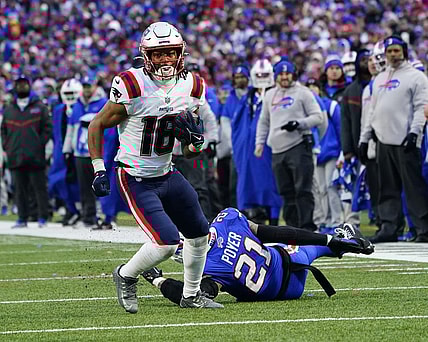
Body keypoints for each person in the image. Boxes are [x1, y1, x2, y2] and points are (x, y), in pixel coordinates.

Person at [88, 21, 223, 312]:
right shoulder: (132, 84)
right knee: (165, 242)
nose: (165, 59)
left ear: (181, 53)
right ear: (146, 55)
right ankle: (126, 275)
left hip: (167, 171)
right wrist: (99, 167)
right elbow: (97, 124)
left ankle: (191, 294)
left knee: (200, 235)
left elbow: (188, 151)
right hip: (135, 175)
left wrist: (196, 142)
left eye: (170, 52)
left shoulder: (193, 85)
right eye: (158, 53)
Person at [142, 207, 374, 305]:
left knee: (299, 248)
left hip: (285, 294)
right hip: (292, 261)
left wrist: (157, 280)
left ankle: (340, 241)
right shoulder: (228, 219)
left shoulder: (209, 269)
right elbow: (272, 232)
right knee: (306, 247)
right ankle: (346, 240)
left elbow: (190, 297)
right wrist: (324, 239)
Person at [359, 35, 428, 243]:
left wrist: (415, 131)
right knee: (386, 188)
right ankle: (389, 227)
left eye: (397, 51)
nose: (393, 55)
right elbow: (372, 110)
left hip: (405, 139)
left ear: (404, 52)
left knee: (413, 187)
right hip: (382, 140)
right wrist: (365, 138)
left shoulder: (416, 77)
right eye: (389, 51)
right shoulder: (379, 79)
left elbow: (421, 107)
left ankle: (423, 228)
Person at [255, 61, 324, 231]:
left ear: (294, 74)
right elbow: (264, 121)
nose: (284, 77)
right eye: (281, 74)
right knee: (286, 192)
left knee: (303, 189)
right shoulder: (270, 95)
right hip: (277, 150)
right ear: (276, 75)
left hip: (299, 146)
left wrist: (299, 123)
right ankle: (293, 228)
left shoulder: (303, 93)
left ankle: (307, 227)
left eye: (288, 73)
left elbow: (318, 117)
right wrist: (259, 143)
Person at [233, 59, 282, 225]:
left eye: (265, 75)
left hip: (269, 147)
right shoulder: (248, 98)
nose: (261, 78)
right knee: (248, 184)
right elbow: (237, 124)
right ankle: (252, 220)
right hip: (248, 149)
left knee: (271, 184)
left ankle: (274, 221)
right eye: (259, 75)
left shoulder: (277, 94)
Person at [1, 75, 52, 228]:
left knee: (39, 188)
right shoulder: (10, 109)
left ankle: (43, 217)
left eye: (24, 84)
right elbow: (3, 131)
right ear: (15, 87)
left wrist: (38, 144)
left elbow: (47, 128)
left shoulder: (40, 107)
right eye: (19, 84)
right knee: (19, 190)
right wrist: (7, 146)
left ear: (29, 86)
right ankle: (22, 218)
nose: (21, 87)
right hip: (16, 155)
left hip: (35, 155)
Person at [63, 74, 108, 229]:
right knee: (84, 187)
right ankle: (88, 217)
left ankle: (105, 217)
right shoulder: (77, 105)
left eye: (89, 86)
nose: (87, 89)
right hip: (80, 152)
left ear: (95, 87)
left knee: (102, 184)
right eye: (85, 86)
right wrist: (67, 149)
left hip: (98, 152)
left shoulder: (104, 103)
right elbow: (70, 129)